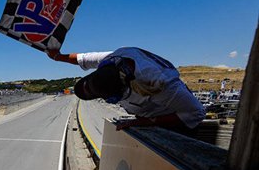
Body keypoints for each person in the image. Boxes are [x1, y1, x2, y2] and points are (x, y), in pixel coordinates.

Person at [47, 47, 206, 133]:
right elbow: (82, 59)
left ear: (118, 93)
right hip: (146, 110)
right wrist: (57, 56)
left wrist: (141, 122)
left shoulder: (160, 85)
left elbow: (196, 113)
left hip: (175, 124)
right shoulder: (115, 58)